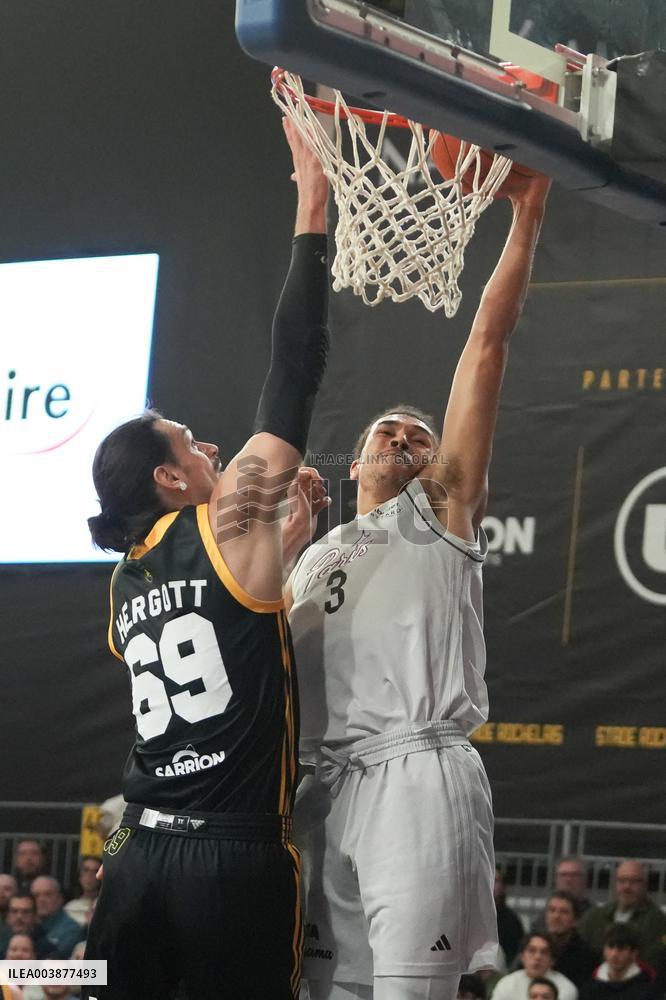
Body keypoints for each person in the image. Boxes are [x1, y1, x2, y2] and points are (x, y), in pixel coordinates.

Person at [81, 119, 330, 1000]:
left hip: (139, 848)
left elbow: (217, 635)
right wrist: (313, 205)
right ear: (168, 477)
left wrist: (282, 563)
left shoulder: (124, 580)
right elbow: (292, 374)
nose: (212, 445)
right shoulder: (226, 519)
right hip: (230, 855)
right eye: (191, 442)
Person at [287, 171, 551, 1000]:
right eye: (385, 431)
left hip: (417, 777)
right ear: (355, 460)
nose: (404, 436)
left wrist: (527, 213)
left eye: (421, 435)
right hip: (324, 790)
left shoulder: (437, 515)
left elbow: (486, 347)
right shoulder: (310, 554)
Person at [580, 862, 666, 970]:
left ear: (645, 885)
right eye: (622, 881)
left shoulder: (658, 921)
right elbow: (581, 953)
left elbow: (654, 960)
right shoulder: (595, 916)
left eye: (634, 882)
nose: (627, 887)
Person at [581, 925, 659, 1000]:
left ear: (634, 953)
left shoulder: (647, 989)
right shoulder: (590, 988)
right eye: (610, 947)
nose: (614, 954)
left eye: (621, 948)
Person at [491, 934, 577, 1000]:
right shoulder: (506, 984)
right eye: (531, 951)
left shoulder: (565, 987)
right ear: (522, 957)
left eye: (544, 952)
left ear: (552, 960)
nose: (537, 957)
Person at [544, 892, 599, 987]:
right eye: (552, 910)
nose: (556, 916)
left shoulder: (588, 957)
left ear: (576, 920)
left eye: (564, 912)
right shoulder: (533, 948)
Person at [30, 877, 83, 959]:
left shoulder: (71, 929)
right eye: (36, 895)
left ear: (60, 898)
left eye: (48, 894)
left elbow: (57, 957)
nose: (41, 899)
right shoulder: (26, 925)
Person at [534, 860, 593, 930]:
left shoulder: (594, 916)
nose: (568, 879)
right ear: (555, 880)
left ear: (584, 880)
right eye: (563, 875)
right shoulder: (544, 915)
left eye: (574, 875)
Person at [495, 869, 525, 967]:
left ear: (503, 888)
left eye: (495, 881)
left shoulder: (512, 921)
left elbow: (514, 957)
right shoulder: (466, 917)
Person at [64, 856, 101, 928]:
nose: (90, 875)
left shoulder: (107, 906)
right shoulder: (69, 908)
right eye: (86, 870)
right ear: (79, 875)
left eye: (95, 871)